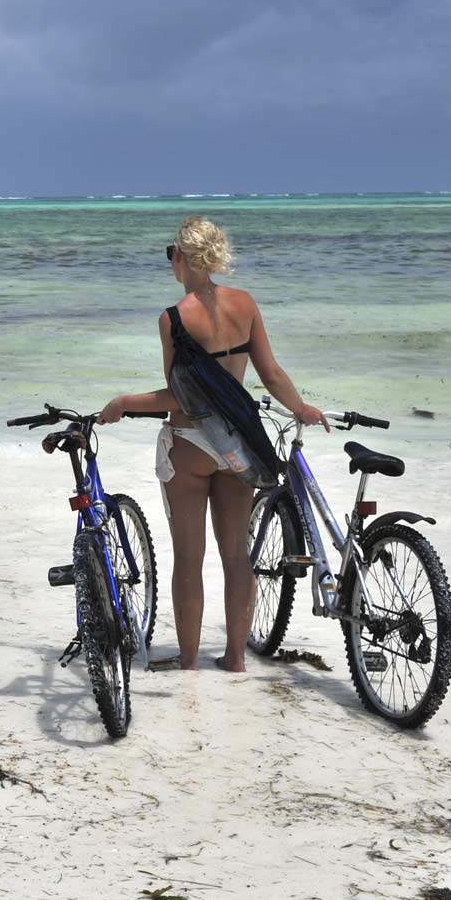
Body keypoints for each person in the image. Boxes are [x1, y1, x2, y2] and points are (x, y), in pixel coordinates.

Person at [98, 216, 326, 673]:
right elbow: (272, 374)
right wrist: (301, 408)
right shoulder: (245, 304)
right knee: (237, 554)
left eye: (171, 254)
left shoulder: (173, 320)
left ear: (180, 257)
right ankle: (236, 659)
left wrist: (123, 402)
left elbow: (179, 397)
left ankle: (187, 661)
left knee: (189, 556)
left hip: (190, 445)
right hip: (237, 447)